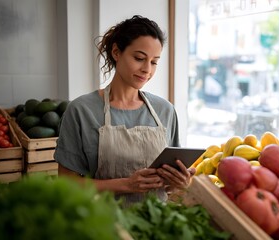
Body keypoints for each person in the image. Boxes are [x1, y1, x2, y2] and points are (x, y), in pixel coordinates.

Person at [54, 15, 194, 206]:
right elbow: (66, 184)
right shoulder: (81, 110)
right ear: (116, 52)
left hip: (156, 223)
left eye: (154, 62)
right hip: (102, 225)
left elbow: (168, 187)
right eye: (139, 58)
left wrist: (180, 182)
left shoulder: (165, 111)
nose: (147, 69)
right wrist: (127, 185)